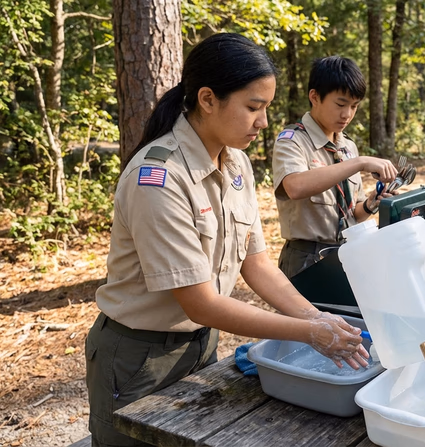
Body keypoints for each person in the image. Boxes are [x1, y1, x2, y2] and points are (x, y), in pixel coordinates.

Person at [85, 34, 369, 447]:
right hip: (139, 357)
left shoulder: (236, 163)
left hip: (202, 344)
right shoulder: (159, 178)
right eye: (253, 107)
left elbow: (256, 263)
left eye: (267, 108)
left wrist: (316, 318)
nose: (263, 122)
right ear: (207, 98)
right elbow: (199, 301)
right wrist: (309, 334)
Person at [272, 56, 398, 278]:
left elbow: (352, 214)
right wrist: (359, 163)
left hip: (346, 255)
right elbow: (295, 187)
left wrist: (371, 203)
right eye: (340, 104)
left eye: (354, 106)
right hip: (306, 261)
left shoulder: (347, 146)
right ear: (315, 97)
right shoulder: (292, 141)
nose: (347, 114)